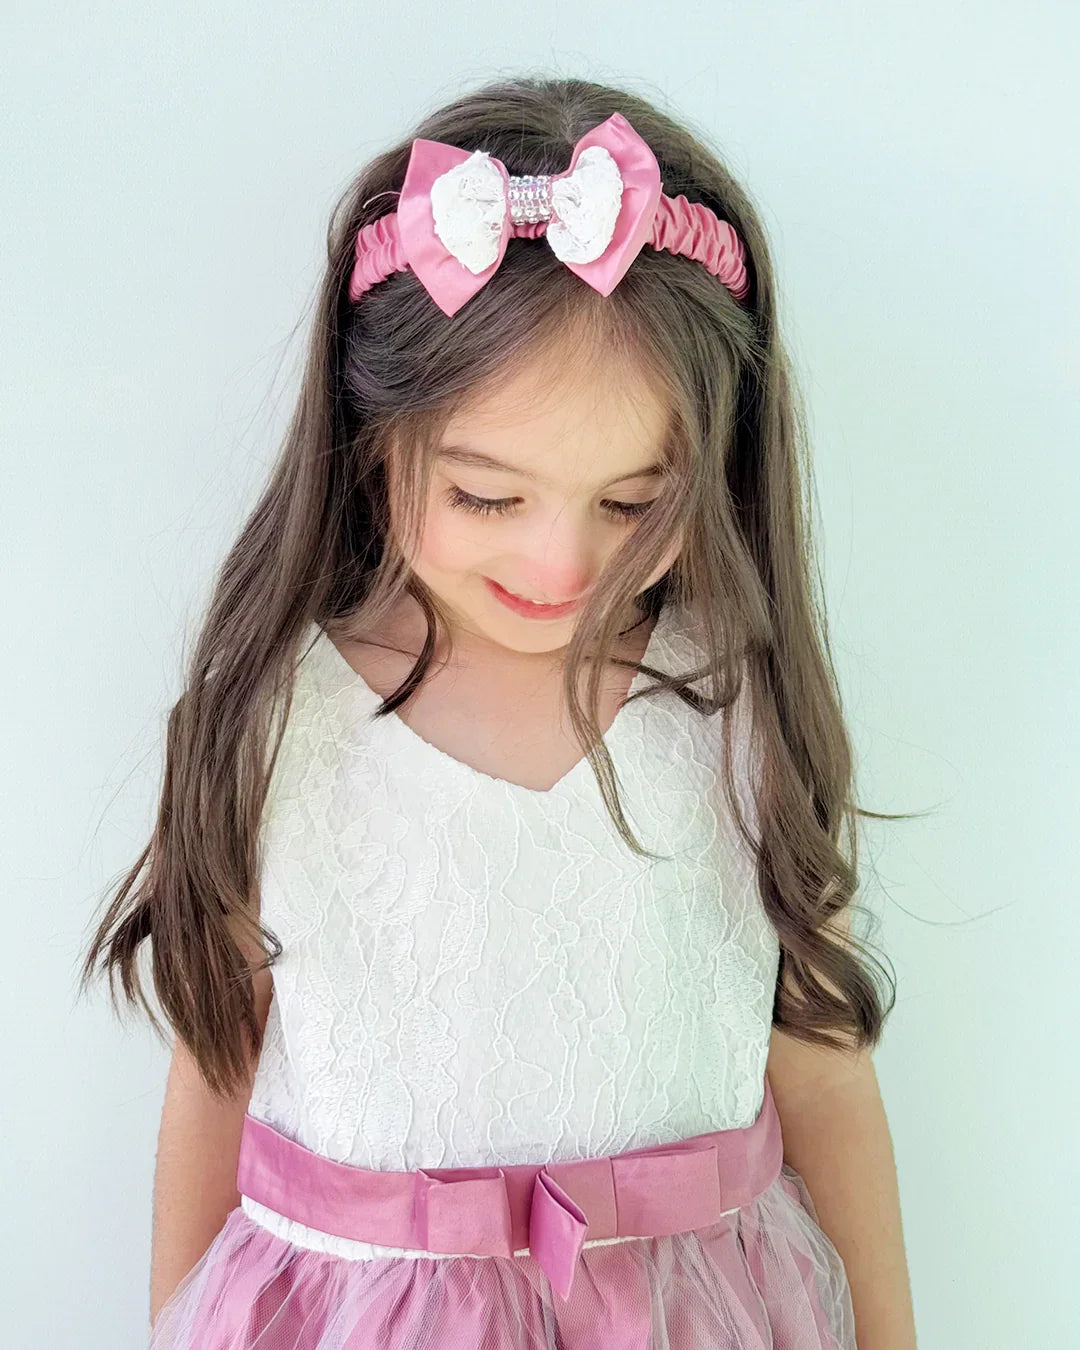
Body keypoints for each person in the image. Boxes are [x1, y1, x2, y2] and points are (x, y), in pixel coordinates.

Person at [82, 75, 915, 1349]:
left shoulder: (740, 707)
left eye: (633, 503)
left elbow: (825, 1071)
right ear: (376, 440)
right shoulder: (271, 730)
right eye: (486, 497)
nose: (564, 568)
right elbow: (212, 1078)